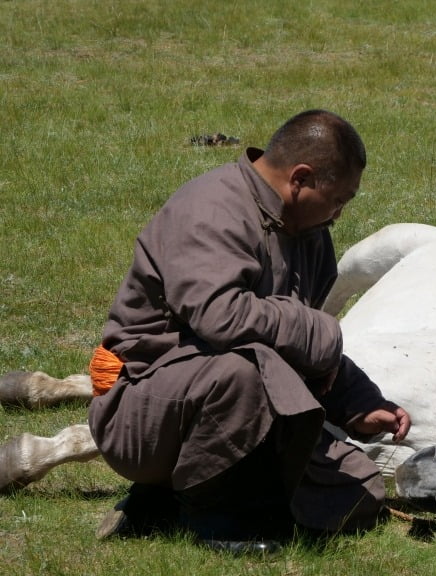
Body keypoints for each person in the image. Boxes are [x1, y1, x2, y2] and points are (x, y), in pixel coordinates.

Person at [88, 110, 411, 553]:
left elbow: (296, 346)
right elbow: (220, 316)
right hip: (143, 408)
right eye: (339, 199)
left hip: (243, 401)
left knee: (360, 492)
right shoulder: (210, 208)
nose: (339, 214)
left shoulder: (311, 234)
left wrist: (358, 402)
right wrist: (319, 329)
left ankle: (167, 499)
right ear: (300, 177)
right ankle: (219, 523)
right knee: (244, 371)